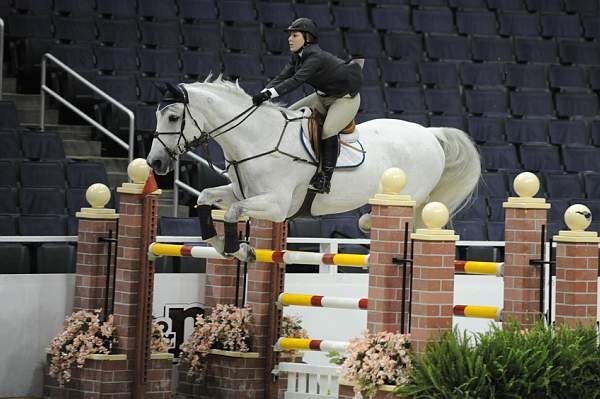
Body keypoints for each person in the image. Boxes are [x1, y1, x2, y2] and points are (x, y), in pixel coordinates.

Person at [252, 17, 363, 194]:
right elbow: (281, 77)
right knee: (290, 114)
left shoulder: (316, 57)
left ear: (308, 38)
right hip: (321, 96)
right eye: (290, 35)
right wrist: (263, 93)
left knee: (328, 130)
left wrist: (268, 94)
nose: (290, 39)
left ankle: (325, 178)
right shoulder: (297, 56)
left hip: (344, 99)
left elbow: (296, 80)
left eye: (294, 35)